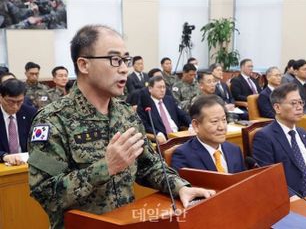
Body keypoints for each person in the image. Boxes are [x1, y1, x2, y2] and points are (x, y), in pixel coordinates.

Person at [28, 24, 214, 229]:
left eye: (126, 60)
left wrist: (179, 187)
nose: (124, 68)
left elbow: (149, 165)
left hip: (126, 223)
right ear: (83, 65)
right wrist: (105, 167)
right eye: (114, 60)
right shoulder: (52, 120)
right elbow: (45, 194)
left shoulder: (125, 114)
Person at [253, 83, 306, 198]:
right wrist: (291, 197)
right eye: (293, 103)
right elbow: (268, 177)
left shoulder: (303, 133)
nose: (299, 107)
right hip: (294, 197)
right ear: (277, 108)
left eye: (300, 102)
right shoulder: (264, 137)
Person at [171, 94, 245, 173]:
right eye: (214, 121)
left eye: (224, 120)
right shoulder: (184, 155)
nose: (222, 127)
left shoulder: (234, 150)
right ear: (196, 125)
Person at [137, 75, 191, 143]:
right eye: (159, 87)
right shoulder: (145, 104)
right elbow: (144, 125)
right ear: (150, 89)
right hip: (162, 140)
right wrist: (157, 133)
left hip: (177, 135)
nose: (162, 90)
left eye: (164, 87)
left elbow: (182, 114)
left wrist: (191, 124)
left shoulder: (169, 100)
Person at [0, 79, 37, 165]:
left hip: (26, 165)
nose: (15, 106)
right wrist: (4, 156)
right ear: (1, 97)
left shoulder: (30, 113)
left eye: (19, 102)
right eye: (10, 101)